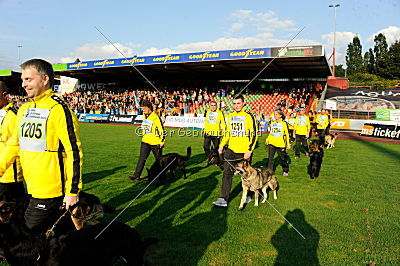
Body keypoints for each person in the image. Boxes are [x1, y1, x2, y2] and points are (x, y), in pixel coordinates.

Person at [0, 59, 83, 233]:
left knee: (24, 238)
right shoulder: (24, 109)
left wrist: (73, 191)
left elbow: (73, 151)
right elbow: (14, 145)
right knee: (61, 238)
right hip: (30, 187)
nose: (23, 84)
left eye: (28, 79)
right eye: (23, 80)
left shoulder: (59, 109)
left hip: (51, 191)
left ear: (45, 79)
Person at [213, 95, 257, 207]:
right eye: (234, 103)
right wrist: (222, 145)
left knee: (247, 175)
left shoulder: (248, 116)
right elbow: (228, 132)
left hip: (244, 151)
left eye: (238, 103)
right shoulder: (230, 116)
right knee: (227, 173)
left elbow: (254, 134)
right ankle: (223, 198)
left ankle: (248, 195)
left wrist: (249, 150)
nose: (236, 106)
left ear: (243, 103)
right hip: (231, 150)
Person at [128, 99, 165, 181]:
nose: (143, 110)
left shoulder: (155, 117)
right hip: (145, 141)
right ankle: (136, 175)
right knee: (142, 158)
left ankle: (162, 178)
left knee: (159, 161)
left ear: (149, 107)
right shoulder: (144, 116)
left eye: (144, 108)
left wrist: (162, 142)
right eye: (142, 109)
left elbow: (161, 130)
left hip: (156, 143)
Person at [0, 81, 24, 201]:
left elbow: (17, 146)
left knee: (11, 218)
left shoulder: (14, 116)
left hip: (9, 178)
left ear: (5, 95)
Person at [266, 110, 290, 176]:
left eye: (276, 114)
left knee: (283, 158)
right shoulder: (272, 123)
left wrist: (288, 144)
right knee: (270, 158)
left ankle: (285, 170)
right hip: (272, 143)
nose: (275, 115)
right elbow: (271, 133)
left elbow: (287, 134)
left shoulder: (284, 123)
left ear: (280, 115)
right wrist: (267, 140)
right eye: (274, 114)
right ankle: (270, 172)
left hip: (280, 144)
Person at [203, 101, 226, 166]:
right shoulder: (208, 112)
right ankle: (210, 157)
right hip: (208, 133)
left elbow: (223, 123)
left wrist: (224, 132)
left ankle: (218, 162)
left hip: (216, 134)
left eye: (214, 105)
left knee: (216, 149)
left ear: (216, 106)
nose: (213, 107)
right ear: (210, 106)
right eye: (212, 105)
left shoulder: (220, 113)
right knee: (205, 147)